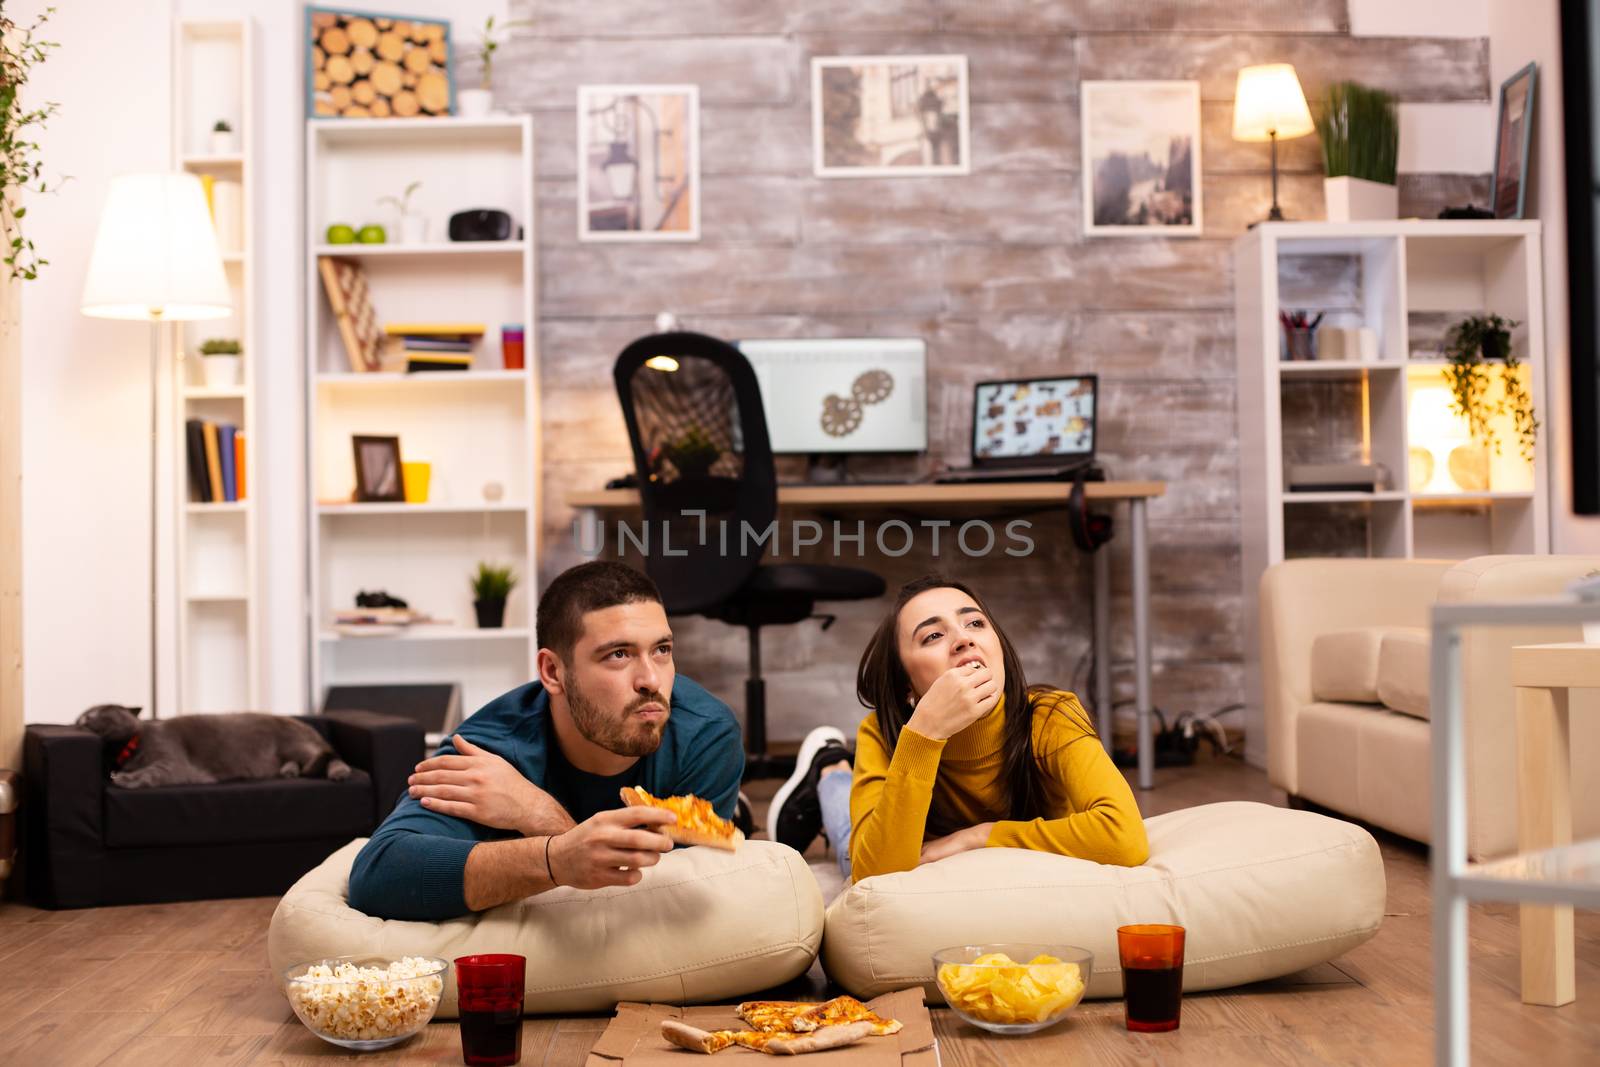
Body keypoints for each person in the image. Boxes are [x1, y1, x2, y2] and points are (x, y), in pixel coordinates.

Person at [348, 561, 745, 921]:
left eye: (662, 650)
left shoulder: (706, 734)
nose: (651, 680)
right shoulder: (488, 751)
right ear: (553, 671)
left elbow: (666, 907)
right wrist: (555, 859)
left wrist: (539, 816)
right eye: (619, 654)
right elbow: (378, 876)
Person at [767, 574, 1149, 882]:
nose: (963, 638)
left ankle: (835, 772)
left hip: (959, 839)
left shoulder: (1052, 714)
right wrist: (924, 736)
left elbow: (1124, 839)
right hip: (894, 801)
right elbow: (874, 874)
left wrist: (978, 837)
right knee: (852, 847)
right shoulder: (881, 734)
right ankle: (831, 770)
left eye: (975, 623)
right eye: (933, 635)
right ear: (906, 687)